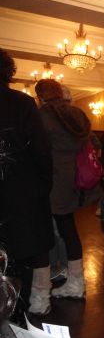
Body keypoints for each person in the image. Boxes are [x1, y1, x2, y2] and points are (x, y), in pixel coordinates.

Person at [0, 49, 54, 315]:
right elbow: (41, 152)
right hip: (20, 196)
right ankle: (15, 316)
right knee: (20, 259)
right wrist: (42, 186)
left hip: (17, 194)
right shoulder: (21, 103)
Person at [36, 78, 91, 301]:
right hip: (72, 179)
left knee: (41, 234)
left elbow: (37, 151)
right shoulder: (77, 114)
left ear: (39, 96)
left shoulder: (42, 116)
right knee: (69, 230)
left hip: (50, 181)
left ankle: (39, 295)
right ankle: (76, 282)